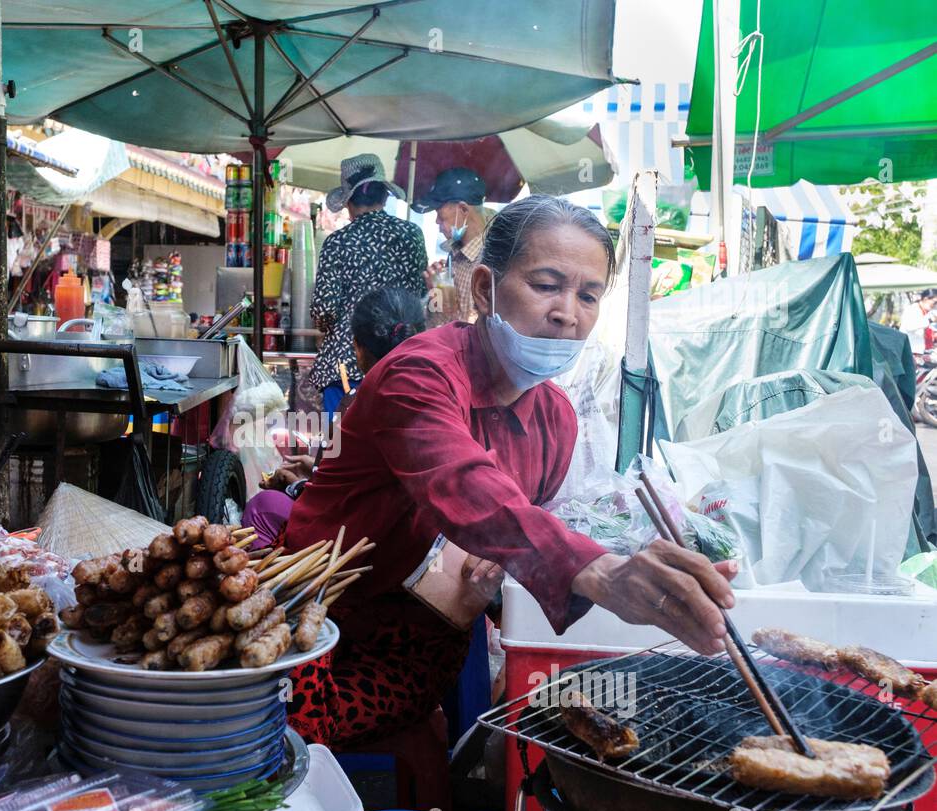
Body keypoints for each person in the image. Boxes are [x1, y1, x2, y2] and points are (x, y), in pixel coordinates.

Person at [283, 195, 739, 748]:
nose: (568, 312)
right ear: (483, 289)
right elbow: (463, 484)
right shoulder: (418, 373)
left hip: (423, 634)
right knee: (284, 741)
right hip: (318, 614)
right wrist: (598, 572)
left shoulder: (556, 420)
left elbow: (512, 530)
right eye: (546, 284)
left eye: (588, 295)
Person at [243, 287, 427, 549]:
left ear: (356, 346)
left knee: (263, 506)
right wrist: (316, 472)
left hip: (358, 544)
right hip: (415, 538)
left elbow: (343, 502)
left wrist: (298, 487)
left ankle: (281, 589)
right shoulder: (431, 395)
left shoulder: (356, 403)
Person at [309, 154, 427, 417]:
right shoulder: (412, 235)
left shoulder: (338, 242)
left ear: (348, 201)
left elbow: (324, 309)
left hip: (346, 365)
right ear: (385, 197)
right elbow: (419, 295)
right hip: (402, 361)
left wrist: (327, 328)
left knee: (340, 448)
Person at [414, 167, 493, 325]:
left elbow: (479, 333)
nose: (437, 222)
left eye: (441, 216)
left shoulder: (494, 259)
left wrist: (444, 300)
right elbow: (437, 325)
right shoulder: (454, 253)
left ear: (463, 209)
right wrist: (438, 293)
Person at [899, 288, 937, 356]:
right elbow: (910, 326)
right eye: (935, 302)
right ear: (925, 299)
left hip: (918, 351)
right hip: (910, 351)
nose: (935, 305)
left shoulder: (925, 311)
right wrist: (930, 320)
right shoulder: (913, 309)